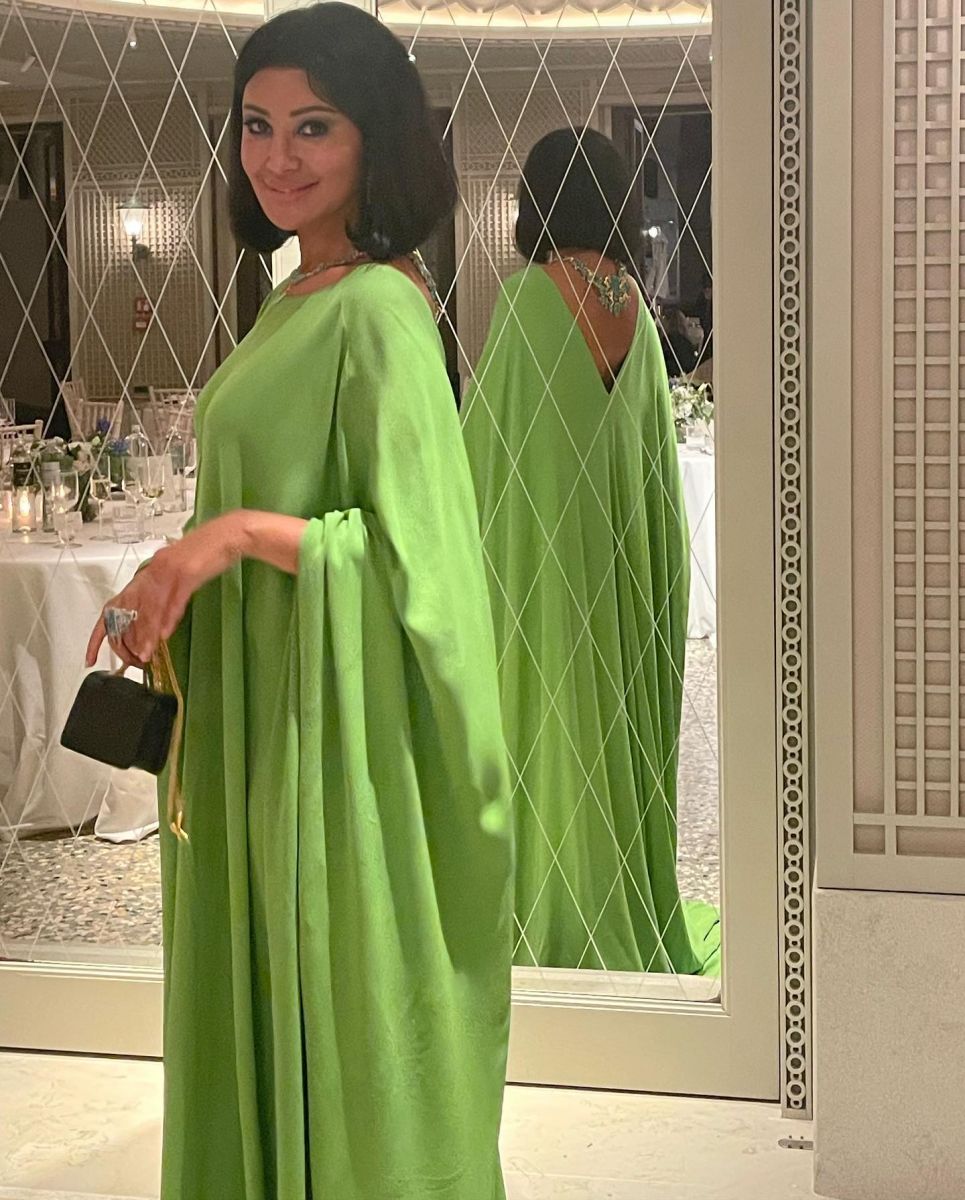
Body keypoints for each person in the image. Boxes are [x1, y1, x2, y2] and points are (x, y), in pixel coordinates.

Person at [86, 6, 513, 1196]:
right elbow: (276, 496)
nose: (277, 157)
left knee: (326, 996)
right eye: (256, 125)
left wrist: (227, 537)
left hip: (321, 744)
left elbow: (425, 565)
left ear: (376, 137)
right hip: (261, 718)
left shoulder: (378, 307)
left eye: (313, 127)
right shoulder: (296, 293)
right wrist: (171, 569)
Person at [462, 128, 718, 977]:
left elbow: (483, 453)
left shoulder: (527, 301)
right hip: (617, 570)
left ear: (535, 204)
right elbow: (647, 467)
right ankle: (614, 893)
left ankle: (550, 902)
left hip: (539, 571)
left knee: (544, 730)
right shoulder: (633, 310)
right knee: (606, 728)